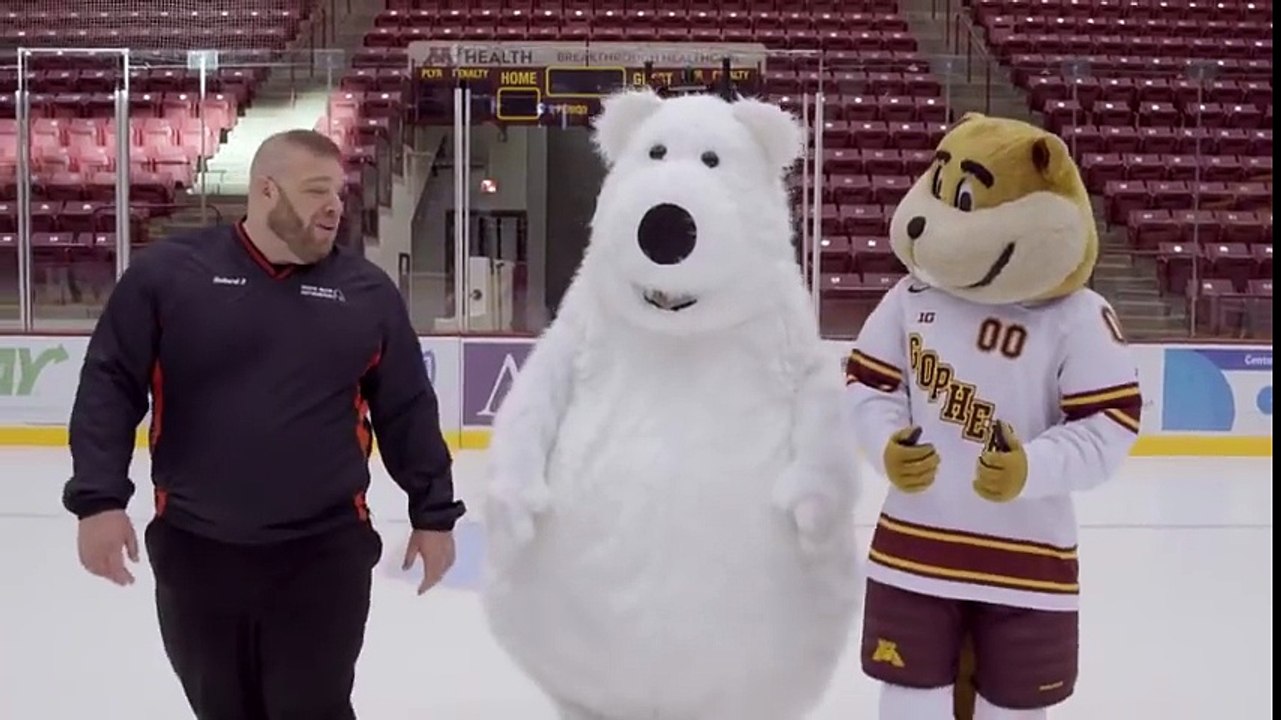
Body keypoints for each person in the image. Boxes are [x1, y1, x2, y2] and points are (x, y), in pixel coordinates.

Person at [62, 129, 465, 720]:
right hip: (197, 551)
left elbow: (407, 409)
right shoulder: (171, 277)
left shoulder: (367, 294)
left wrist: (434, 513)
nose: (334, 206)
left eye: (339, 191)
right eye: (315, 190)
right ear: (266, 191)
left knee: (312, 708)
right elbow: (109, 385)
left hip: (323, 553)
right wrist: (99, 500)